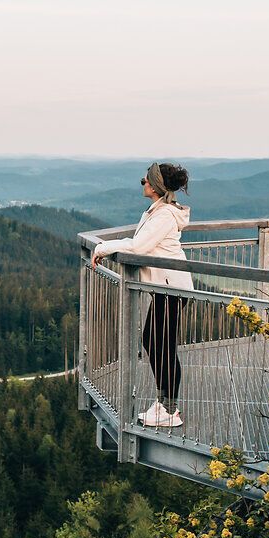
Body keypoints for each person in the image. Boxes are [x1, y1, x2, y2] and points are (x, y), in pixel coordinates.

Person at [91, 162, 192, 429]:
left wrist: (103, 248)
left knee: (162, 346)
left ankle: (169, 409)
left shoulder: (163, 216)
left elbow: (138, 246)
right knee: (156, 343)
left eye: (145, 180)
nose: (143, 183)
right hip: (167, 289)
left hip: (171, 290)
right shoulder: (158, 211)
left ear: (156, 186)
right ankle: (165, 403)